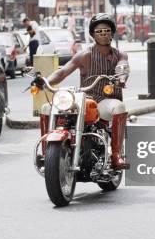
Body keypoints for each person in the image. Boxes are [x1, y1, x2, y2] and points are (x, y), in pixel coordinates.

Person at [37, 13, 130, 170]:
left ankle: (116, 156)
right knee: (47, 107)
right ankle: (47, 154)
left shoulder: (119, 54)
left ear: (112, 33)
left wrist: (121, 78)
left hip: (106, 100)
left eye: (107, 30)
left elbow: (123, 67)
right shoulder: (85, 55)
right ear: (93, 34)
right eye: (99, 31)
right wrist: (45, 81)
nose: (103, 34)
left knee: (119, 107)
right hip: (86, 98)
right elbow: (63, 71)